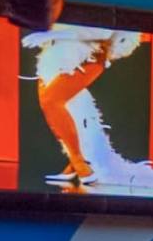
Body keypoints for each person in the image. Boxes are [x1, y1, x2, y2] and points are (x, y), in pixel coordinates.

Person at [30, 28, 143, 188]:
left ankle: (79, 162)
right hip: (55, 54)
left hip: (90, 54)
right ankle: (73, 166)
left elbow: (99, 33)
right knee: (67, 106)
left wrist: (53, 34)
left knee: (52, 101)